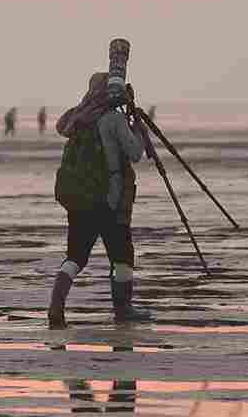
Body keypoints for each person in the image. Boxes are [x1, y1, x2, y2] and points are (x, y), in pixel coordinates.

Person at [48, 72, 152, 330]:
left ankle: (56, 306)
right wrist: (139, 130)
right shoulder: (113, 119)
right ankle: (123, 310)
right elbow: (136, 153)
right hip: (108, 200)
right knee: (123, 257)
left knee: (75, 257)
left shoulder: (78, 118)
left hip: (78, 198)